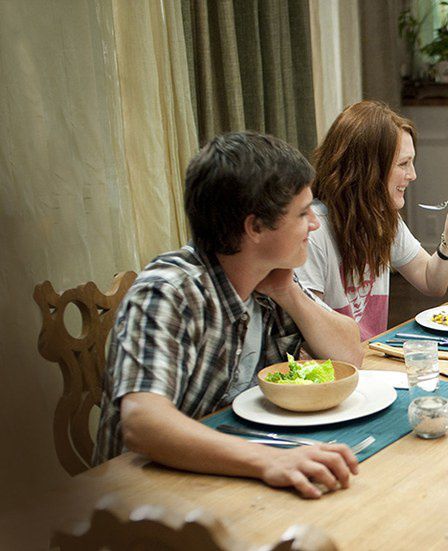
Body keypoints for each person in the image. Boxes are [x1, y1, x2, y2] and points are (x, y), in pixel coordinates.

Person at [94, 132, 365, 499]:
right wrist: (269, 460)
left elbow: (350, 356)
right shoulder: (169, 292)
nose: (315, 224)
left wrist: (288, 293)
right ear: (255, 227)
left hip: (224, 479)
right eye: (303, 213)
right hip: (141, 498)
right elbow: (143, 424)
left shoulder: (270, 277)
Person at [296, 100, 448, 339]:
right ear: (367, 168)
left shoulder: (382, 217)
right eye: (403, 164)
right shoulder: (314, 230)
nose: (413, 175)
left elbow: (432, 283)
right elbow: (309, 335)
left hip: (372, 355)